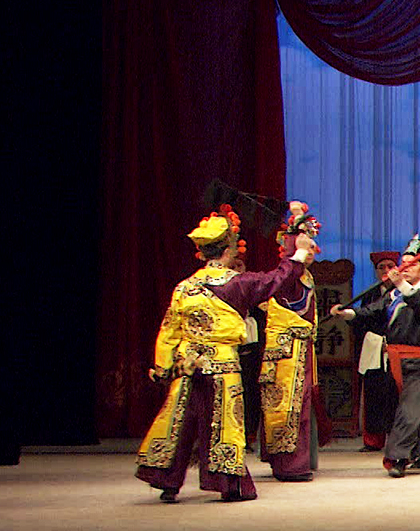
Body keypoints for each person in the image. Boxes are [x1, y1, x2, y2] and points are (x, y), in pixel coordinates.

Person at [136, 204, 314, 503]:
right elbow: (275, 280)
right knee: (223, 424)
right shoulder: (236, 284)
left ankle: (167, 480)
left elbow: (169, 330)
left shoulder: (184, 287)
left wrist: (164, 367)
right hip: (222, 365)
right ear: (228, 249)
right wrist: (297, 256)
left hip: (188, 364)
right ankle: (230, 484)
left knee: (180, 421)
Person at [332, 235, 420, 478]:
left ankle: (397, 456)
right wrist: (347, 313)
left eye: (411, 264)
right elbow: (372, 312)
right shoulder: (393, 296)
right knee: (417, 408)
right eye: (403, 263)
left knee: (409, 409)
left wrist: (402, 285)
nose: (404, 268)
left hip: (419, 361)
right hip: (394, 359)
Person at [258, 202, 328, 481]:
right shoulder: (288, 273)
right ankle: (289, 464)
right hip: (287, 350)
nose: (312, 250)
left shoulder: (303, 275)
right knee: (288, 405)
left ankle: (294, 461)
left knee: (301, 405)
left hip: (301, 348)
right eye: (306, 245)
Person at [355, 250, 401, 452]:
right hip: (375, 348)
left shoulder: (402, 291)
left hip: (396, 347)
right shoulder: (370, 294)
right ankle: (373, 439)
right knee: (373, 393)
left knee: (396, 394)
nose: (386, 270)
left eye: (390, 266)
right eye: (381, 267)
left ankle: (398, 439)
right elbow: (363, 319)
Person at [230, 257, 265, 453]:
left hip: (250, 352)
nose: (237, 270)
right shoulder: (222, 289)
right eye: (233, 267)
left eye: (240, 266)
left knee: (250, 393)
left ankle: (249, 435)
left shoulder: (252, 289)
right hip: (229, 350)